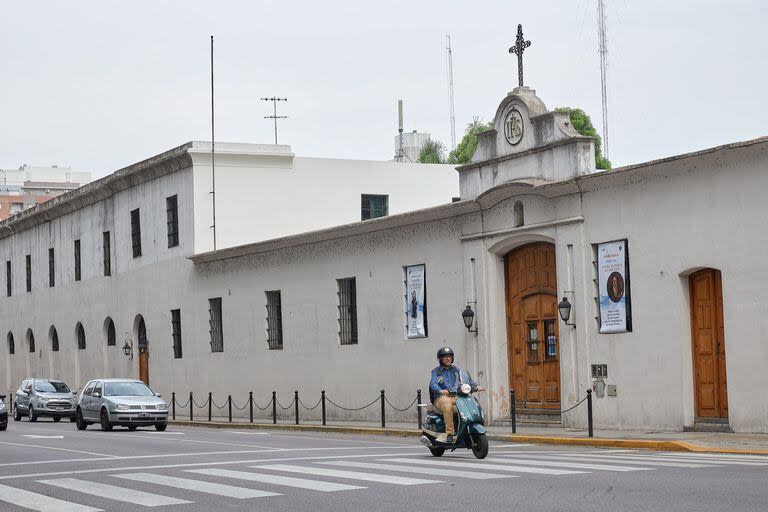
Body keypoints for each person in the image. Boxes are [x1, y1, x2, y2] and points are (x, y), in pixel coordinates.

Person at [429, 346, 484, 444]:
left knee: (470, 402)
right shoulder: (436, 371)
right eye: (445, 357)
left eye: (449, 356)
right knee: (447, 405)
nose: (448, 358)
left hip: (456, 396)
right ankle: (450, 434)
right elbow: (433, 384)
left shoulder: (456, 369)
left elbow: (466, 379)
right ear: (440, 359)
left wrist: (476, 386)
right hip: (442, 397)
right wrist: (440, 390)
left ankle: (466, 428)